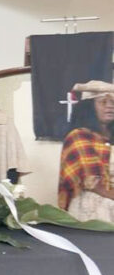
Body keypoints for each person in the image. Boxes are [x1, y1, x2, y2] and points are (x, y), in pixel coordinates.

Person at [58, 80, 114, 221]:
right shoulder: (78, 136)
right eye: (103, 102)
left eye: (113, 102)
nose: (110, 106)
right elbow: (92, 182)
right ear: (89, 107)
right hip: (92, 209)